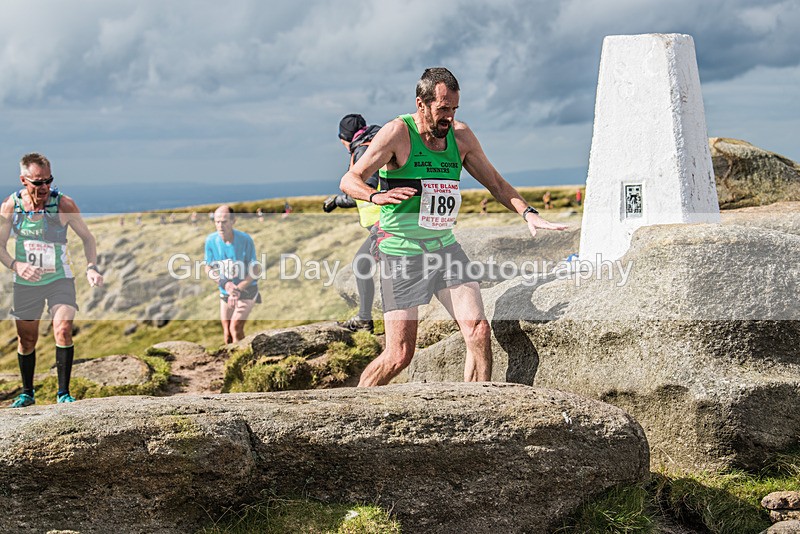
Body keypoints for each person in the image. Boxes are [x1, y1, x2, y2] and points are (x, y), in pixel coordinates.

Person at [340, 67, 568, 387]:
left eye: (455, 109)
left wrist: (529, 213)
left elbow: (497, 184)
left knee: (478, 330)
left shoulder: (460, 138)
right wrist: (376, 196)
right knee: (399, 355)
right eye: (443, 109)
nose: (449, 117)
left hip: (445, 248)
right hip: (402, 252)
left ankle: (476, 406)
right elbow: (350, 180)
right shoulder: (397, 133)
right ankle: (356, 405)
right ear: (422, 104)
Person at [0, 152, 104, 407]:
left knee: (63, 329)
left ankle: (63, 394)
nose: (44, 187)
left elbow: (88, 238)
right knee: (27, 340)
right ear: (24, 180)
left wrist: (91, 267)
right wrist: (16, 265)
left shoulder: (64, 204)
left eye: (48, 180)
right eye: (38, 182)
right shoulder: (11, 206)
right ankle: (27, 393)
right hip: (26, 282)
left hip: (60, 279)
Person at [322, 114, 386, 333]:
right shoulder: (377, 141)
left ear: (345, 138)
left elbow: (364, 191)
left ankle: (366, 320)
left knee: (364, 265)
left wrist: (337, 201)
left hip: (385, 223)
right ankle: (366, 319)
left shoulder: (362, 150)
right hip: (386, 222)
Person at [204, 205, 261, 343]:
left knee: (235, 328)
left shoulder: (245, 240)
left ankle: (244, 360)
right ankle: (230, 362)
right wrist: (225, 284)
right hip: (225, 290)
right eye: (217, 221)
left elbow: (256, 270)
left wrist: (238, 289)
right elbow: (208, 268)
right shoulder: (211, 241)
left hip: (247, 289)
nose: (220, 225)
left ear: (233, 221)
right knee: (227, 333)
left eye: (224, 221)